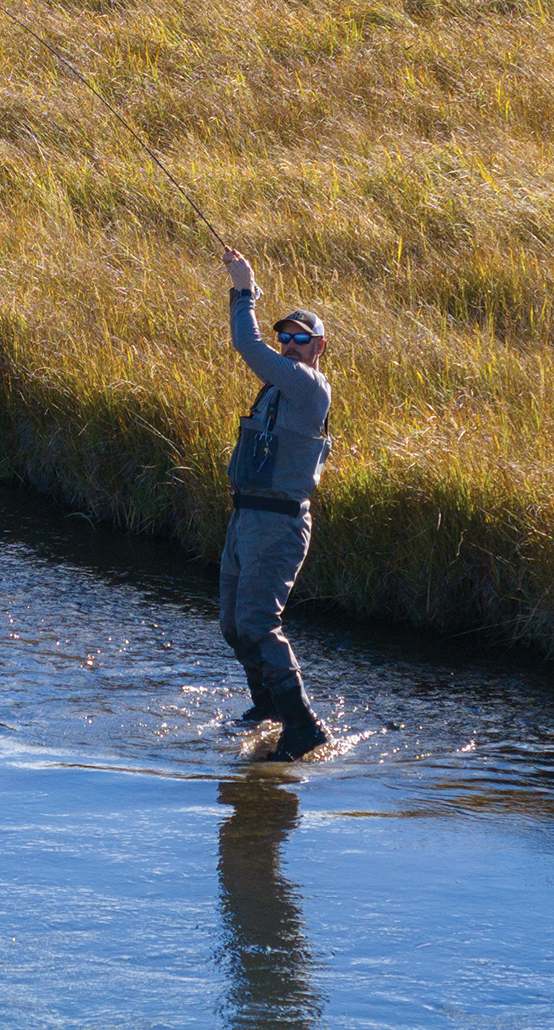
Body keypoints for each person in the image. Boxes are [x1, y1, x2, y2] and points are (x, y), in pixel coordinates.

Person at [220, 246, 331, 762]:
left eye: (299, 338)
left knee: (260, 623)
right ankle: (267, 706)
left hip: (278, 524)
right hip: (247, 517)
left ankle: (304, 725)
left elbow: (247, 342)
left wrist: (244, 290)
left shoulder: (305, 385)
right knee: (233, 625)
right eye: (285, 336)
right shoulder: (277, 389)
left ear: (318, 347)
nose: (288, 344)